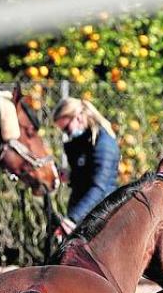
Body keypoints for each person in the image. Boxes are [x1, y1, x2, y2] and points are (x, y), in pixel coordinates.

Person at [52, 96, 121, 236]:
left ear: (78, 117)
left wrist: (72, 219)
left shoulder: (104, 144)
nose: (67, 134)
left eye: (66, 129)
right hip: (87, 215)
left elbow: (99, 186)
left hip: (101, 217)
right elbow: (87, 175)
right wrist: (70, 175)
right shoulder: (83, 143)